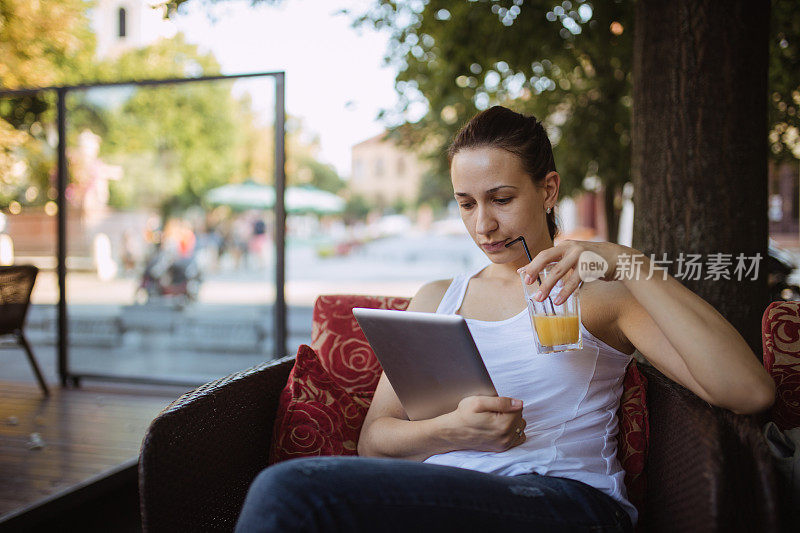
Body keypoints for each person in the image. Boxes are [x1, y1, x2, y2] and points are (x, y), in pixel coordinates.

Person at [234, 106, 776, 532]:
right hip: (446, 501)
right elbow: (374, 441)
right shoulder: (436, 300)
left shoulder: (603, 297)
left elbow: (747, 391)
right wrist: (451, 431)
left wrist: (628, 262)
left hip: (564, 502)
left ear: (548, 190)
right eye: (466, 204)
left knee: (288, 492)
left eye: (501, 199)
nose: (484, 225)